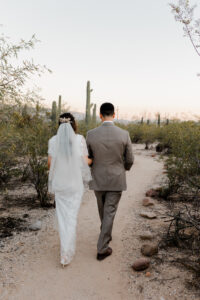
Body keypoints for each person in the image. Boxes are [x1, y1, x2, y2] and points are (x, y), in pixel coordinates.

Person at [86, 102, 134, 261]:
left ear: (100, 115)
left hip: (98, 178)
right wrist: (124, 168)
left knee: (103, 210)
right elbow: (130, 159)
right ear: (114, 115)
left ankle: (105, 234)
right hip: (116, 177)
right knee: (109, 211)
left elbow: (89, 158)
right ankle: (102, 248)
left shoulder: (90, 134)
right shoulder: (124, 134)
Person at [48, 113, 92, 267]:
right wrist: (92, 159)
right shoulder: (79, 140)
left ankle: (65, 251)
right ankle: (66, 253)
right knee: (71, 216)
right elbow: (85, 161)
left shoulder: (53, 141)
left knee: (62, 217)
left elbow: (50, 165)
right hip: (74, 184)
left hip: (60, 184)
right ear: (74, 124)